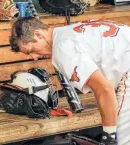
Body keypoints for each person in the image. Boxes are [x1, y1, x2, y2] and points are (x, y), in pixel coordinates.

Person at [10, 17, 130, 145]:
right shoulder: (67, 32)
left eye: (31, 50)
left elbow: (105, 89)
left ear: (38, 34)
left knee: (123, 140)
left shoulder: (62, 48)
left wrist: (109, 137)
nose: (34, 57)